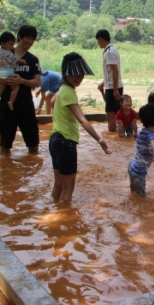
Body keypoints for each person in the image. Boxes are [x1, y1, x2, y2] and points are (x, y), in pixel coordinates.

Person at [49, 52, 111, 202]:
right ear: (65, 73)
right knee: (68, 191)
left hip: (54, 141)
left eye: (81, 73)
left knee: (58, 186)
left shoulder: (61, 89)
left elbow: (52, 102)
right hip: (66, 142)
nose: (79, 77)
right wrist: (101, 141)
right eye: (74, 73)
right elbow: (83, 121)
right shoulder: (69, 92)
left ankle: (52, 216)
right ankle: (64, 222)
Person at [0, 25, 41, 154]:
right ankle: (5, 169)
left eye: (32, 39)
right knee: (5, 143)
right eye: (27, 38)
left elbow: (37, 81)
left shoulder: (32, 59)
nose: (29, 42)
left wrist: (22, 81)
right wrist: (6, 81)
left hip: (25, 103)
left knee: (33, 144)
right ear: (19, 37)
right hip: (7, 102)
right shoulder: (4, 53)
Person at [128, 104, 154, 197]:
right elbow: (153, 143)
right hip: (139, 172)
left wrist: (153, 157)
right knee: (140, 197)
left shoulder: (142, 132)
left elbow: (143, 150)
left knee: (133, 193)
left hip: (132, 167)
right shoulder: (151, 135)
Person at [95, 29, 123, 132]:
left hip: (113, 86)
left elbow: (115, 71)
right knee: (115, 113)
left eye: (98, 41)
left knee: (111, 114)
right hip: (111, 85)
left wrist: (115, 89)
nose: (98, 44)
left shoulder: (110, 52)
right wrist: (104, 83)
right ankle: (117, 134)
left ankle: (113, 134)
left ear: (101, 39)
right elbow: (111, 72)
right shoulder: (111, 50)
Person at [0, 32, 27, 111]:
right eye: (10, 45)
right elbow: (15, 59)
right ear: (3, 43)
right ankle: (11, 101)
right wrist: (23, 61)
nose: (12, 47)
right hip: (9, 72)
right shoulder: (8, 53)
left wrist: (0, 61)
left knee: (0, 89)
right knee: (15, 88)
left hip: (0, 72)